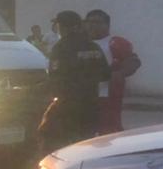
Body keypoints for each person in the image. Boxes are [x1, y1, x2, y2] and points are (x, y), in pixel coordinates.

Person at [38, 10, 111, 155]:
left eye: (59, 26)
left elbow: (55, 77)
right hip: (91, 105)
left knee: (51, 138)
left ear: (64, 27)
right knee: (86, 144)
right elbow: (105, 75)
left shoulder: (62, 47)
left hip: (67, 106)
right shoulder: (93, 47)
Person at [85, 9, 141, 135]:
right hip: (84, 91)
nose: (92, 25)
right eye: (89, 22)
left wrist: (119, 74)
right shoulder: (79, 43)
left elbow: (133, 61)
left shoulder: (116, 43)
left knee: (109, 125)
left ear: (107, 25)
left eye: (97, 22)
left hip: (107, 91)